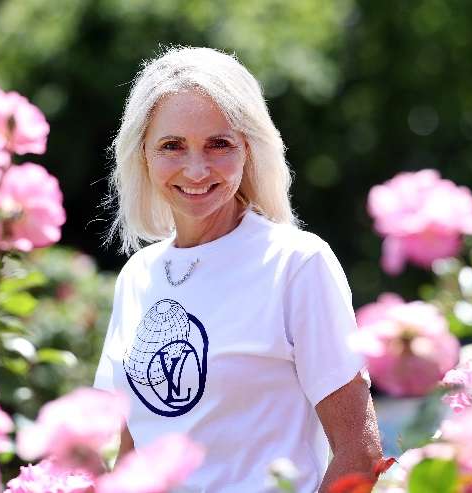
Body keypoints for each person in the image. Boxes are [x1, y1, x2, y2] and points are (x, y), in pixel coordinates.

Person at [94, 46, 382, 492]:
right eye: (172, 146)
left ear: (249, 148)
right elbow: (131, 461)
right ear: (143, 155)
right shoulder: (137, 276)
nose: (196, 169)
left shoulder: (296, 264)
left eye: (219, 144)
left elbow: (358, 456)